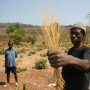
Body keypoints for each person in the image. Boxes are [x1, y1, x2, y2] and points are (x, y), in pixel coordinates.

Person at [47, 22, 90, 90]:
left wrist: (69, 59)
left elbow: (86, 64)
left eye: (77, 33)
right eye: (71, 33)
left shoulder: (87, 50)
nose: (73, 35)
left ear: (83, 35)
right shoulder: (71, 50)